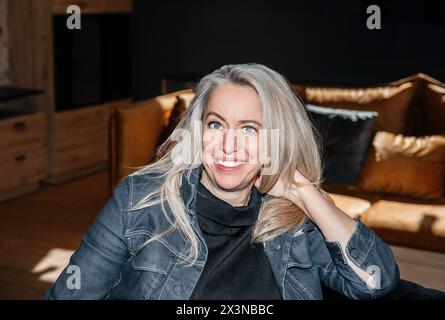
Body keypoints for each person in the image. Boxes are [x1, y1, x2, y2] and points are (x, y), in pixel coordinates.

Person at [45, 63, 401, 300]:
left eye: (249, 129)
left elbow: (374, 283)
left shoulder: (293, 222)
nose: (229, 144)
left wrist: (302, 191)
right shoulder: (140, 201)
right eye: (216, 125)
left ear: (276, 140)